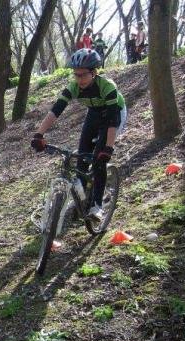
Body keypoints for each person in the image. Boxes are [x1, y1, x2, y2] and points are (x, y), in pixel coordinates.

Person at [30, 49, 127, 221]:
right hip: (94, 114)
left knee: (98, 160)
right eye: (76, 75)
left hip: (114, 114)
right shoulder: (74, 87)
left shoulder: (107, 87)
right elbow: (55, 111)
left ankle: (97, 205)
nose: (79, 79)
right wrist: (39, 134)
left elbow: (112, 121)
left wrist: (108, 148)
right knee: (81, 159)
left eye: (83, 75)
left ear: (94, 72)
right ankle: (81, 198)